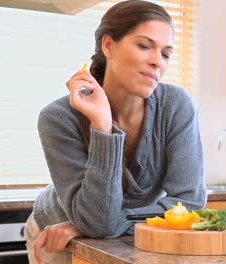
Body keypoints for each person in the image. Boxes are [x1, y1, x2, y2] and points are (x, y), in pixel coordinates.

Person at [24, 1, 207, 263]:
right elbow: (99, 224)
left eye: (166, 54)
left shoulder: (176, 105)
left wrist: (108, 223)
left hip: (99, 229)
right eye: (144, 46)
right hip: (57, 233)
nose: (158, 62)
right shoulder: (58, 117)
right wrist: (102, 125)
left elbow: (189, 204)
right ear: (108, 46)